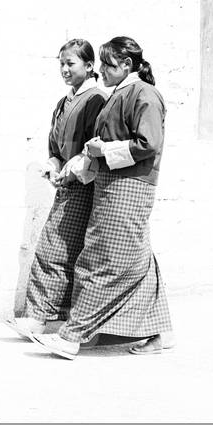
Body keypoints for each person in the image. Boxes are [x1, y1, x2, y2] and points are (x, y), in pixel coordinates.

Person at [31, 36, 174, 359]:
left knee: (102, 261)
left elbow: (148, 144)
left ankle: (73, 335)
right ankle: (158, 333)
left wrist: (103, 150)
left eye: (108, 65)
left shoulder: (144, 94)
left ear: (126, 65)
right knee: (134, 260)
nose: (103, 71)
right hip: (112, 184)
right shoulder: (120, 93)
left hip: (131, 186)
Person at [6, 39, 107, 337]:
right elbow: (55, 147)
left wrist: (73, 172)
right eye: (61, 63)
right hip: (66, 184)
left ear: (89, 66)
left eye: (70, 63)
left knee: (53, 248)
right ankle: (53, 316)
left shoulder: (96, 100)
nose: (64, 69)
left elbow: (94, 148)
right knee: (63, 250)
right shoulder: (63, 104)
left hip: (85, 186)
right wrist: (53, 166)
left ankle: (39, 316)